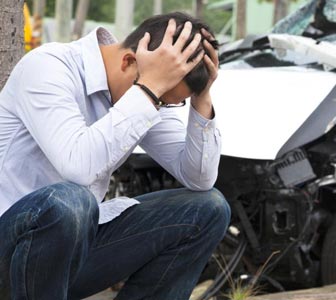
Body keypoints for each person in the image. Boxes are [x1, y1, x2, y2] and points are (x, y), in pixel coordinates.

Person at [0, 12, 230, 300]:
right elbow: (78, 167)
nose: (156, 106)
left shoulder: (144, 91)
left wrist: (202, 97)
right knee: (70, 202)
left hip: (71, 255)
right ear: (128, 62)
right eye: (158, 99)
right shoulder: (49, 66)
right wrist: (148, 91)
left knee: (209, 208)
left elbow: (200, 178)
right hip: (10, 252)